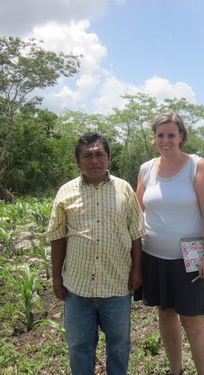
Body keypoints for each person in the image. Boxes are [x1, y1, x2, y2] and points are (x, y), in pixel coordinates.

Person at [47, 132, 146, 375]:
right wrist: (57, 277)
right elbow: (57, 236)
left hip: (117, 284)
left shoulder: (124, 190)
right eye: (87, 156)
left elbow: (136, 233)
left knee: (120, 345)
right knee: (79, 346)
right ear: (77, 162)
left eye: (100, 154)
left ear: (109, 158)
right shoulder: (66, 192)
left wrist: (137, 269)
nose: (94, 161)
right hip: (78, 286)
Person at [136, 111, 204, 375]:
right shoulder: (146, 169)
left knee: (193, 322)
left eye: (171, 135)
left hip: (190, 257)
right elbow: (138, 211)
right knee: (165, 314)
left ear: (181, 136)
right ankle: (175, 370)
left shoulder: (196, 165)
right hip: (153, 255)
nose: (165, 140)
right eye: (160, 135)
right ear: (154, 139)